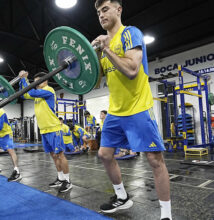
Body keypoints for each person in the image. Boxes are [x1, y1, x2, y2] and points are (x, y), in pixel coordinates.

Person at [92, 0, 171, 219]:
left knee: (155, 160)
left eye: (105, 9)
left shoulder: (130, 33)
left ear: (119, 9)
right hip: (116, 111)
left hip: (138, 107)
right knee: (104, 154)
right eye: (98, 12)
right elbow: (94, 82)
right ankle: (122, 197)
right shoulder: (103, 49)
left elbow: (132, 70)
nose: (101, 15)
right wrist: (87, 59)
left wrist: (107, 48)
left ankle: (166, 215)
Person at [19, 70, 72, 193]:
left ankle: (68, 181)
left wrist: (24, 79)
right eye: (35, 82)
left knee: (60, 155)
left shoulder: (48, 90)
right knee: (53, 156)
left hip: (54, 128)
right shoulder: (37, 94)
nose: (36, 84)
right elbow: (24, 94)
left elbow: (30, 91)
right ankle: (60, 178)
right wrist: (22, 81)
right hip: (44, 130)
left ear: (45, 80)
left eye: (38, 82)